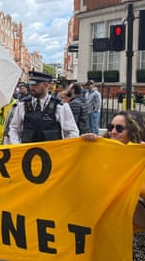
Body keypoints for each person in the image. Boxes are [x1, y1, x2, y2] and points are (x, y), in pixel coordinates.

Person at [81, 111, 143, 260]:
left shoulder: (140, 157)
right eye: (111, 127)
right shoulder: (101, 153)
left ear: (133, 131)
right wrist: (85, 146)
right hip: (107, 233)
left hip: (136, 233)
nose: (113, 132)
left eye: (119, 128)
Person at [8, 71, 79, 144]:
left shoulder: (60, 106)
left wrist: (63, 150)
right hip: (28, 153)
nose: (31, 87)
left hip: (52, 153)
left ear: (46, 85)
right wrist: (16, 145)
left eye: (35, 85)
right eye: (30, 84)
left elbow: (72, 132)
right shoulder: (22, 104)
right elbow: (14, 128)